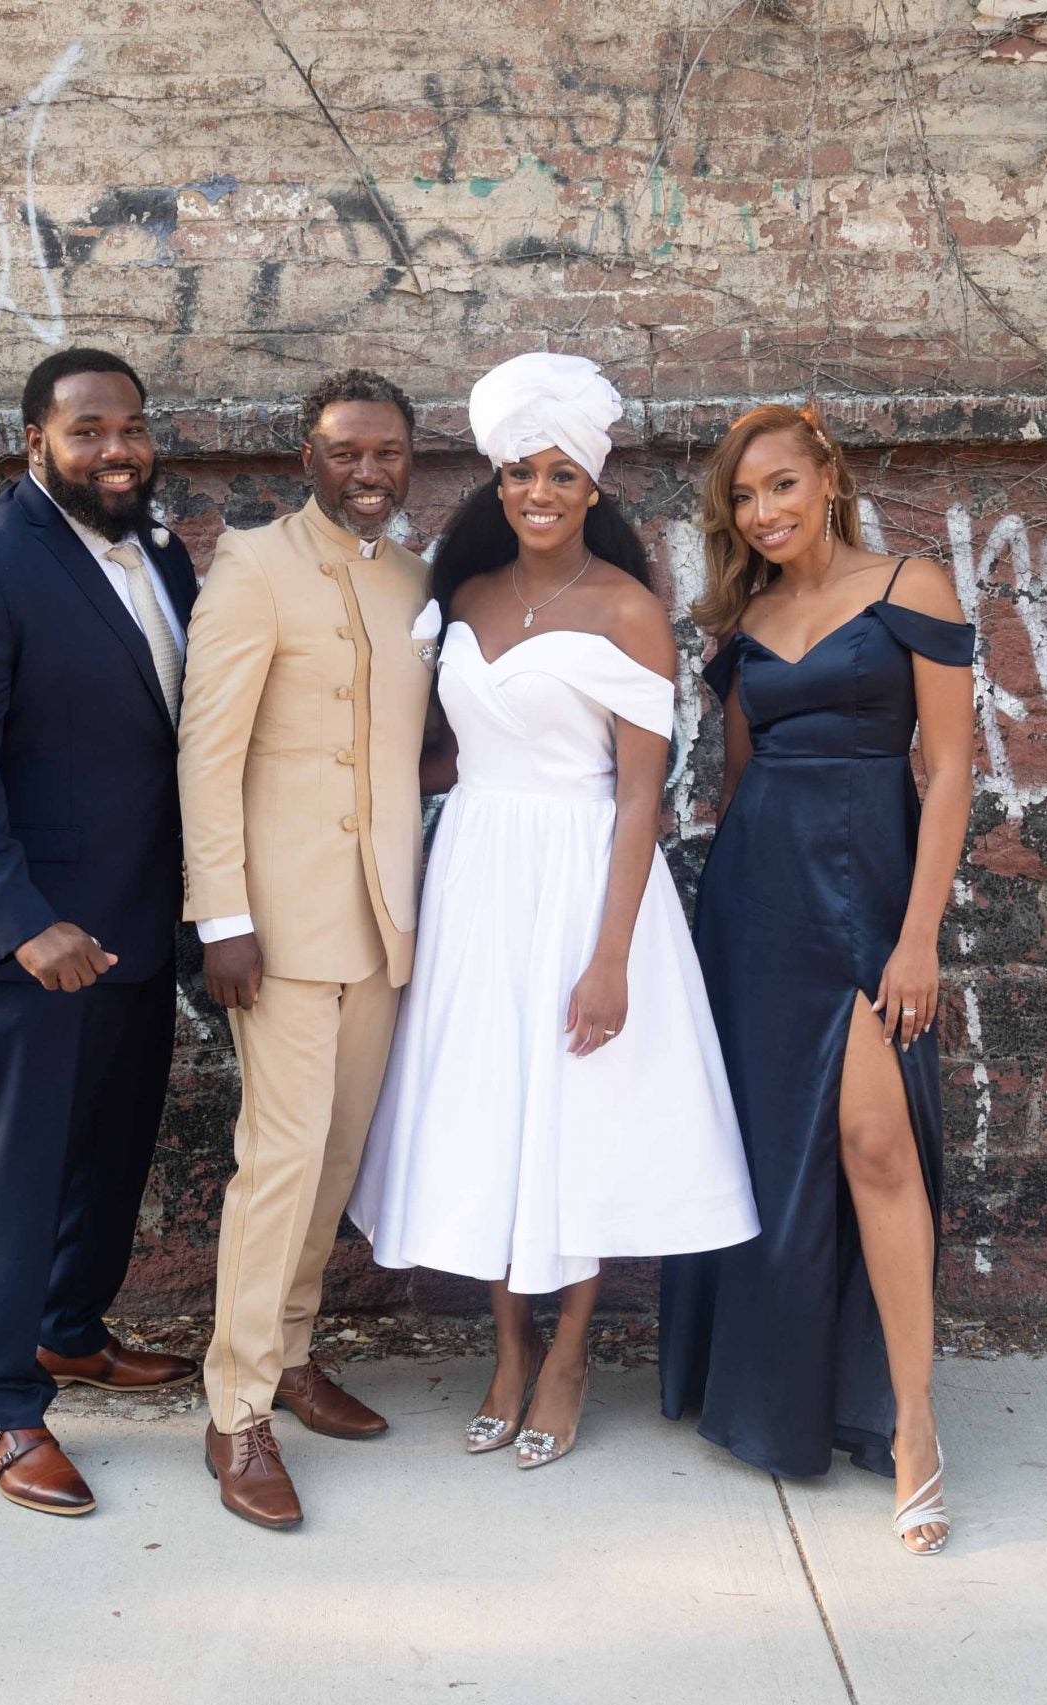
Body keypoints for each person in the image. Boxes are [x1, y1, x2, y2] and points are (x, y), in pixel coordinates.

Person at [349, 353, 758, 1471]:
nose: (540, 491)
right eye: (521, 472)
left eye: (561, 474)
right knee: (493, 1107)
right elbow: (450, 755)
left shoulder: (629, 610)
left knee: (576, 1116)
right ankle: (508, 1347)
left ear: (592, 487)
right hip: (476, 877)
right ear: (497, 482)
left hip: (583, 876)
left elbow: (639, 795)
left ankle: (569, 1352)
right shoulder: (464, 593)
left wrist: (610, 956)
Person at [657, 404, 976, 1555]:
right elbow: (741, 785)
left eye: (780, 485)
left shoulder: (912, 587)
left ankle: (913, 1424)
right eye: (743, 498)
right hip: (757, 908)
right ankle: (767, 1395)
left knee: (876, 1146)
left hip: (876, 900)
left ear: (827, 477)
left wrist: (918, 936)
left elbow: (948, 769)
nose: (763, 512)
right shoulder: (743, 620)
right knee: (760, 1154)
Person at [0, 347, 202, 1519]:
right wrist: (24, 924)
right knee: (18, 1174)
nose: (116, 449)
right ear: (36, 442)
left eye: (130, 428)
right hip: (35, 939)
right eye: (87, 431)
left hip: (140, 919)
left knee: (113, 1154)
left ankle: (71, 1331)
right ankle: (5, 1405)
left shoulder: (160, 552)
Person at [178, 370, 435, 1530]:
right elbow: (207, 753)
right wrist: (220, 917)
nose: (367, 472)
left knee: (334, 1158)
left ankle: (287, 1353)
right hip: (275, 927)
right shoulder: (251, 566)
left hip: (382, 922)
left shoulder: (415, 580)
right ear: (307, 459)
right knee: (279, 1159)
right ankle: (235, 1410)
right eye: (346, 453)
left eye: (387, 453)